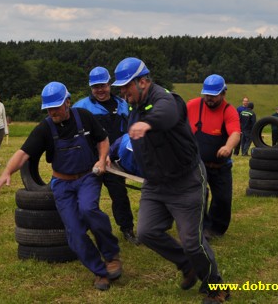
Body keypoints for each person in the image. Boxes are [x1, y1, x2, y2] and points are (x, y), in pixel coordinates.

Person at [111, 57, 230, 303]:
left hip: (186, 181)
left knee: (192, 241)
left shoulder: (167, 99)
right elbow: (130, 139)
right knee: (146, 232)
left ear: (143, 81)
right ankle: (186, 264)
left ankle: (216, 287)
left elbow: (165, 115)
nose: (122, 91)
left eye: (126, 86)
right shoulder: (133, 107)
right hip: (155, 184)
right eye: (120, 87)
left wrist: (147, 123)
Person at [0, 82, 122, 291]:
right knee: (74, 232)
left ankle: (111, 255)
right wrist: (7, 171)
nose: (52, 111)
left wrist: (101, 160)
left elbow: (103, 140)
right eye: (49, 108)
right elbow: (24, 153)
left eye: (56, 107)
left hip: (87, 177)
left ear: (67, 102)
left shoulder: (84, 117)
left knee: (89, 210)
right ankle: (100, 271)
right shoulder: (45, 128)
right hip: (62, 184)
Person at [73, 66, 137, 245]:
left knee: (120, 195)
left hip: (115, 162)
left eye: (103, 85)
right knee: (87, 198)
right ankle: (82, 232)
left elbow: (130, 131)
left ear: (109, 84)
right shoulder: (81, 107)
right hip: (90, 162)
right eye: (95, 87)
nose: (99, 90)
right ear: (90, 87)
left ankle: (127, 230)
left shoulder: (123, 105)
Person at [186, 74, 240, 241]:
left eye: (213, 95)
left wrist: (228, 147)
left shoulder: (228, 111)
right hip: (197, 164)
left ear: (223, 93)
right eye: (207, 95)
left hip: (220, 166)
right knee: (198, 197)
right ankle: (201, 229)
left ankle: (216, 229)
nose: (209, 99)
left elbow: (235, 133)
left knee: (223, 199)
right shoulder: (193, 106)